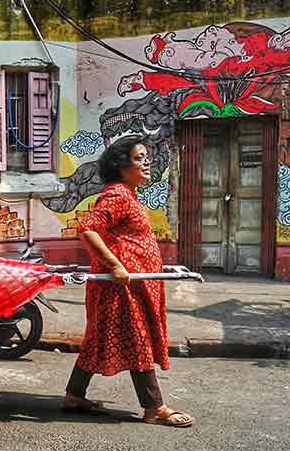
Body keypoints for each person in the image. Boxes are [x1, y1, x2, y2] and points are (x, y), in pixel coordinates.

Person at [63, 137, 194, 428]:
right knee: (139, 340)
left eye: (147, 157)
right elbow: (88, 230)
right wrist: (116, 265)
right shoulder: (118, 195)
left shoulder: (128, 194)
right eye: (139, 158)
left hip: (130, 287)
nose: (147, 162)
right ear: (121, 166)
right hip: (122, 289)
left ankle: (74, 395)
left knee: (96, 341)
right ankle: (154, 407)